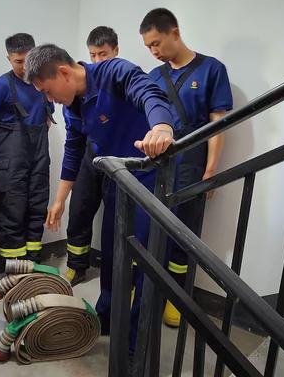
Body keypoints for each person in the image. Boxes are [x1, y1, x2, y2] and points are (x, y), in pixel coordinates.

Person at [24, 43, 174, 342]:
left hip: (151, 179)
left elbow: (149, 93)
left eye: (48, 91)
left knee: (148, 263)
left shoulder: (114, 71)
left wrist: (161, 128)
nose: (49, 100)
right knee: (112, 253)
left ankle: (137, 340)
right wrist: (59, 200)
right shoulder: (72, 108)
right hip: (117, 181)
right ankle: (105, 317)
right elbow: (73, 151)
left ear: (64, 72)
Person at [141, 7, 233, 327]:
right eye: (148, 47)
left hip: (191, 163)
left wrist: (211, 169)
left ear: (175, 33)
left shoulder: (211, 70)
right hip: (157, 164)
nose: (153, 52)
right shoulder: (153, 77)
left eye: (156, 43)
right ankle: (145, 289)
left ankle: (176, 298)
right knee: (150, 228)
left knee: (185, 234)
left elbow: (218, 122)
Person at [0, 33, 54, 263]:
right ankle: (14, 271)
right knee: (12, 215)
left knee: (37, 210)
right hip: (10, 164)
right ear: (9, 59)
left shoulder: (44, 86)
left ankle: (32, 264)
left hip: (39, 161)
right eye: (18, 61)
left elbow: (46, 121)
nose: (24, 67)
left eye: (28, 59)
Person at [65, 26, 119, 285]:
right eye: (93, 55)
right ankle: (76, 266)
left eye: (103, 55)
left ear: (116, 52)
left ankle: (120, 277)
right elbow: (73, 138)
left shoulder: (120, 83)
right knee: (78, 212)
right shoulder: (77, 87)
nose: (97, 61)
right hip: (90, 157)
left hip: (119, 162)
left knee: (118, 223)